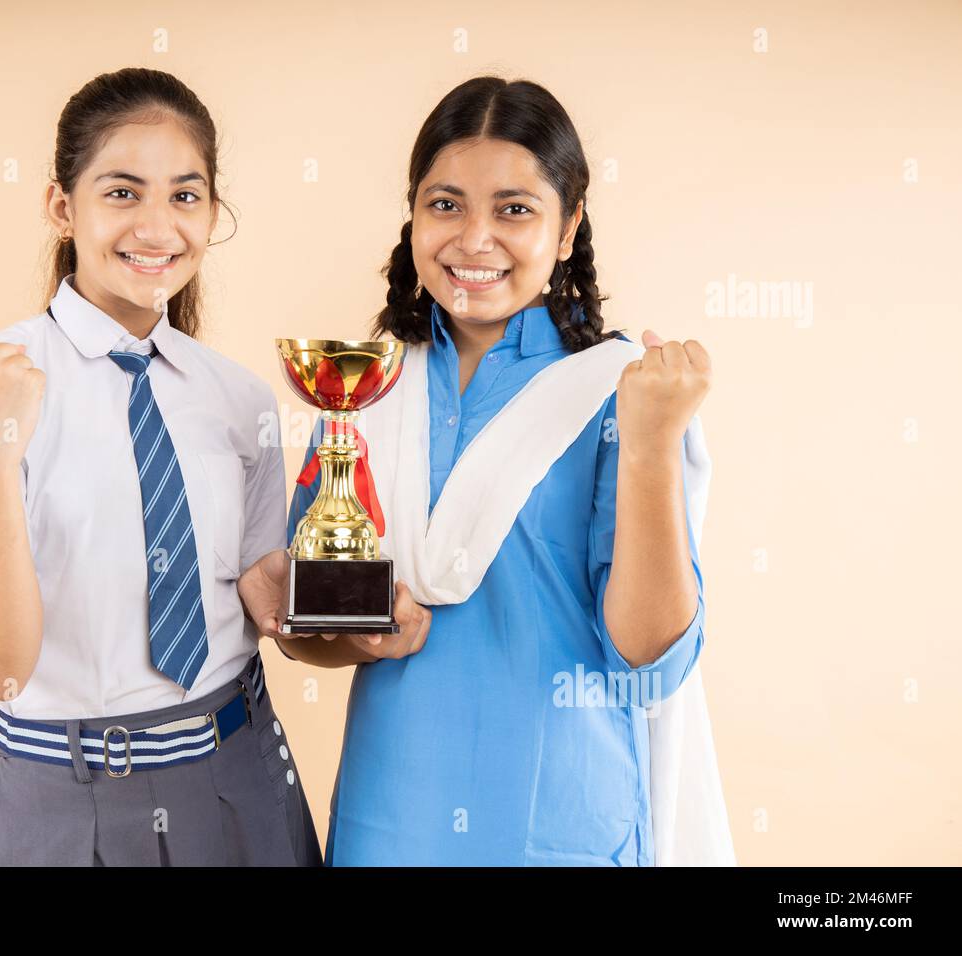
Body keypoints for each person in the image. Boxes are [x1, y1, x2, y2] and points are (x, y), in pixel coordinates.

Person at [241, 76, 734, 866]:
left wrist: (648, 444)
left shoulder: (615, 391)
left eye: (514, 209)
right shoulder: (368, 387)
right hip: (389, 814)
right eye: (445, 205)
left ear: (568, 228)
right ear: (412, 218)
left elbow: (648, 655)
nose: (474, 240)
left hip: (560, 820)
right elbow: (320, 633)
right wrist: (340, 633)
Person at [0, 67, 325, 866]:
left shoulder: (240, 399)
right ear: (62, 208)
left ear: (212, 212)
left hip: (241, 786)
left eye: (185, 195)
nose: (158, 227)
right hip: (61, 805)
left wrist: (337, 610)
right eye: (122, 192)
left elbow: (266, 598)